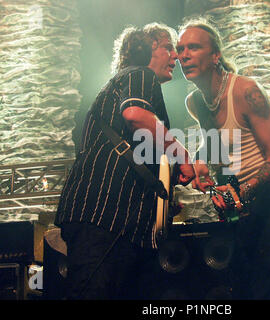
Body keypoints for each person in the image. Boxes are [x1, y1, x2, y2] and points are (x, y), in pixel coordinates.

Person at [54, 23, 195, 300]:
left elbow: (139, 149)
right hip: (105, 217)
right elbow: (135, 115)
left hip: (109, 219)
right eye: (169, 47)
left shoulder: (125, 83)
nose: (175, 57)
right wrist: (183, 155)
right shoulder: (139, 74)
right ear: (150, 46)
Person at [177, 18, 270, 299]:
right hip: (239, 210)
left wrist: (241, 192)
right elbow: (216, 147)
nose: (183, 55)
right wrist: (199, 161)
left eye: (194, 47)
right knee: (243, 288)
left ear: (215, 56)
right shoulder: (195, 102)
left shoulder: (246, 91)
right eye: (180, 49)